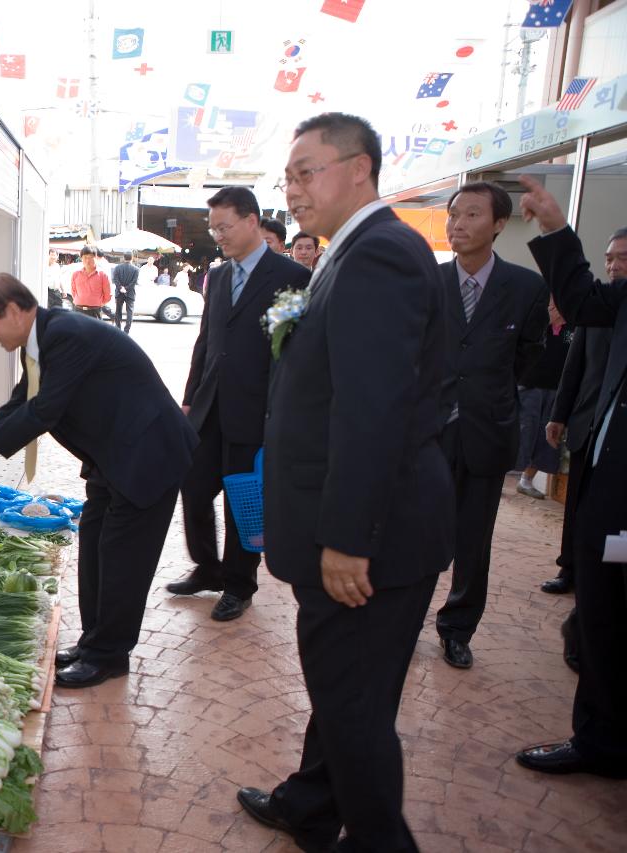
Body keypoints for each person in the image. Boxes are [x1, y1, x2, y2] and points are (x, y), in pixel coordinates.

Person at [236, 113, 453, 852]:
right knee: (346, 689)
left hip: (370, 536)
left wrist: (345, 538)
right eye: (288, 175)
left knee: (353, 705)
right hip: (362, 521)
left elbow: (373, 408)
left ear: (359, 168)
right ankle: (310, 802)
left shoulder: (380, 253)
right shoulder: (349, 250)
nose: (292, 189)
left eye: (306, 170)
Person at [0, 273, 197, 688]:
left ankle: (109, 655)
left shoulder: (66, 335)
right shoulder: (37, 343)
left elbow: (45, 412)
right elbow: (24, 400)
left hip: (147, 455)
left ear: (17, 312)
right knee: (94, 545)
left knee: (123, 560)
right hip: (112, 458)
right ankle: (94, 642)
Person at [514, 176, 627, 781]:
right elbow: (583, 302)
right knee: (603, 612)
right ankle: (602, 741)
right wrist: (556, 229)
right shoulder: (620, 298)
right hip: (612, 487)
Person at [169, 186, 309, 621]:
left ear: (252, 221)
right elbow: (206, 340)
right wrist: (190, 398)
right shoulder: (221, 274)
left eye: (224, 227)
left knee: (240, 499)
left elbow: (297, 355)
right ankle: (207, 568)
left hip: (258, 410)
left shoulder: (293, 279)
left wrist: (284, 414)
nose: (218, 236)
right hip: (210, 405)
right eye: (214, 229)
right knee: (192, 486)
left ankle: (239, 584)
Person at [432, 181, 548, 671]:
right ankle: (403, 616)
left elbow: (528, 359)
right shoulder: (428, 281)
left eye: (472, 215)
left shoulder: (525, 288)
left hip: (487, 431)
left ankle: (458, 628)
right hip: (429, 434)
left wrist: (487, 395)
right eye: (454, 214)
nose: (458, 224)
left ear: (499, 224)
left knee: (474, 540)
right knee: (417, 531)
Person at [541, 229, 626, 596]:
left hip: (619, 435)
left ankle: (605, 579)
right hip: (586, 426)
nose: (613, 265)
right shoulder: (595, 307)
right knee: (576, 502)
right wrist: (558, 415)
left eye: (622, 257)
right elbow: (573, 368)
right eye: (609, 258)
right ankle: (569, 569)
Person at [515, 297, 572, 500]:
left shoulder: (572, 328)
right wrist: (545, 322)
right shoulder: (538, 322)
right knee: (524, 429)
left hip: (557, 390)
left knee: (546, 437)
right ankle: (500, 474)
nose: (554, 307)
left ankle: (526, 480)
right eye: (552, 303)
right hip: (530, 383)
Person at [70, 246, 111, 319]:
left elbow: (107, 295)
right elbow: (73, 292)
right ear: (81, 258)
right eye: (85, 257)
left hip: (95, 312)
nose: (88, 260)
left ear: (96, 258)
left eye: (91, 257)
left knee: (94, 330)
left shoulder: (103, 275)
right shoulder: (75, 274)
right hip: (78, 311)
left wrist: (98, 304)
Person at [111, 253, 138, 332]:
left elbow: (115, 279)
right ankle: (126, 330)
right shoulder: (136, 269)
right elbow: (134, 282)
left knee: (118, 311)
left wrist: (121, 288)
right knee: (130, 312)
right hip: (130, 292)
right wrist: (126, 288)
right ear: (132, 258)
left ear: (123, 258)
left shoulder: (117, 267)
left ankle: (118, 329)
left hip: (119, 293)